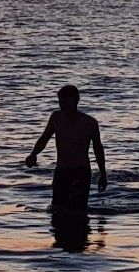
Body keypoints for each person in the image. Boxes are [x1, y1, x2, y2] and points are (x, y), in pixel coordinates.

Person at [24, 84, 107, 214]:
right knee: (57, 210)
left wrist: (103, 174)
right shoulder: (56, 118)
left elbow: (98, 149)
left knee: (78, 211)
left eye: (65, 101)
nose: (62, 105)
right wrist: (33, 154)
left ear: (75, 101)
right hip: (61, 171)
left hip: (81, 171)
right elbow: (44, 138)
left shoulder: (89, 122)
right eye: (60, 101)